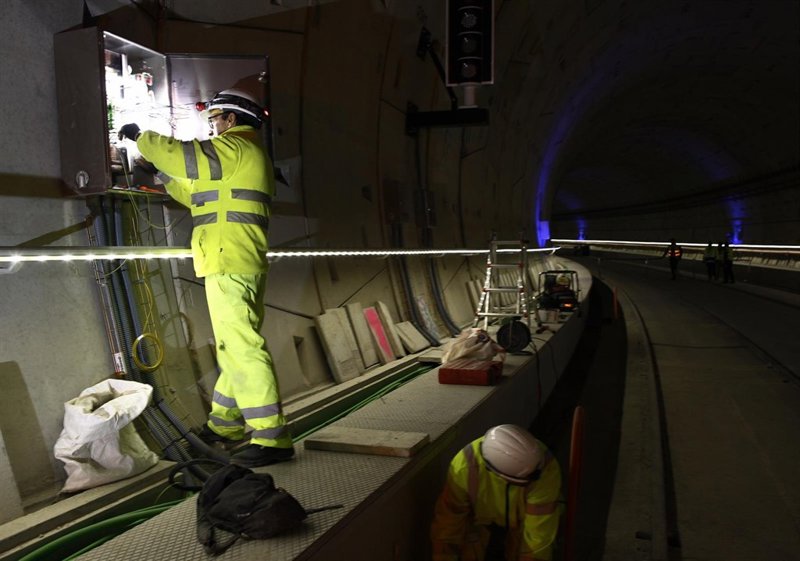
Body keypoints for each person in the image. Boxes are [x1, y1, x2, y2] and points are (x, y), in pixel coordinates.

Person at [118, 89, 293, 468]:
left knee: (243, 347)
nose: (212, 127)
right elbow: (196, 191)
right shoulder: (242, 155)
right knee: (233, 346)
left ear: (231, 119)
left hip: (230, 260)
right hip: (234, 259)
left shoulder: (236, 147)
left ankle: (271, 437)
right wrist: (159, 175)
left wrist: (141, 138)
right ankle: (224, 425)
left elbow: (187, 157)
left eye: (214, 119)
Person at [431, 425, 562, 561]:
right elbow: (449, 524)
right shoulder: (463, 468)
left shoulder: (545, 470)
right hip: (477, 522)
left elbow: (538, 537)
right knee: (468, 546)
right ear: (499, 475)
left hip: (522, 521)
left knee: (527, 550)